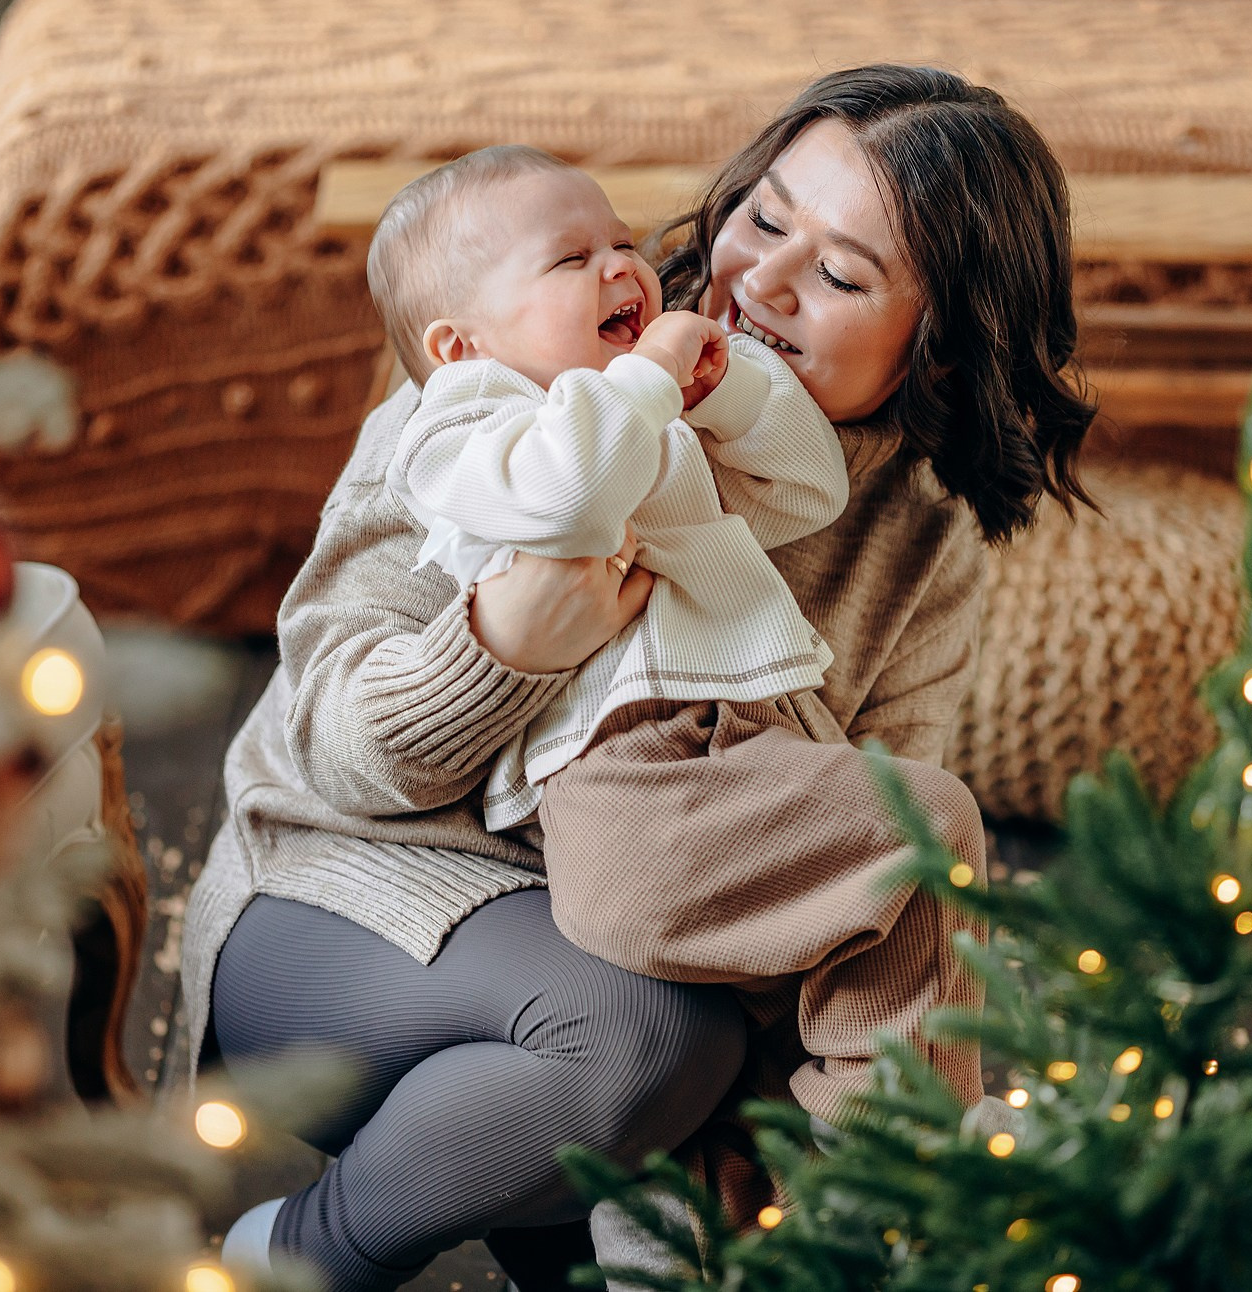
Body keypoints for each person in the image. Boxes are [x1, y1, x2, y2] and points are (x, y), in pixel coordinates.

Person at [182, 63, 1095, 1292]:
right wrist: (505, 645)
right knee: (649, 1031)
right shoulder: (530, 365)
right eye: (763, 221)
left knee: (704, 1114)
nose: (760, 281)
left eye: (837, 273)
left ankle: (857, 1202)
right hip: (352, 890)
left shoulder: (918, 541)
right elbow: (332, 745)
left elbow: (821, 907)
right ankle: (298, 1253)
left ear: (935, 352)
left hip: (626, 946)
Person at [372, 142, 993, 1138]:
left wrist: (728, 392)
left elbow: (806, 488)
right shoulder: (466, 427)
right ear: (460, 345)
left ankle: (810, 1174)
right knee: (928, 825)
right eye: (571, 260)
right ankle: (893, 1156)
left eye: (620, 240)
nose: (622, 266)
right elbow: (568, 495)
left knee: (720, 1124)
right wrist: (651, 380)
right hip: (630, 789)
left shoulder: (646, 415)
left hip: (740, 756)